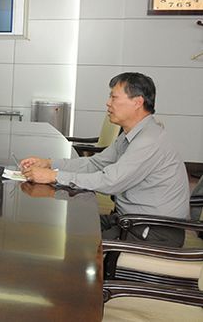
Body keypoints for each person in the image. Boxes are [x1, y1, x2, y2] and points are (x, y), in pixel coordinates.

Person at [20, 72, 190, 247]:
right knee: (64, 226)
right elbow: (96, 163)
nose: (108, 103)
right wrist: (49, 163)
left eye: (114, 97)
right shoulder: (131, 135)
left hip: (152, 232)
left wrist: (54, 176)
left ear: (137, 102)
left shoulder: (149, 140)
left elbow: (110, 181)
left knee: (77, 246)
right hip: (129, 221)